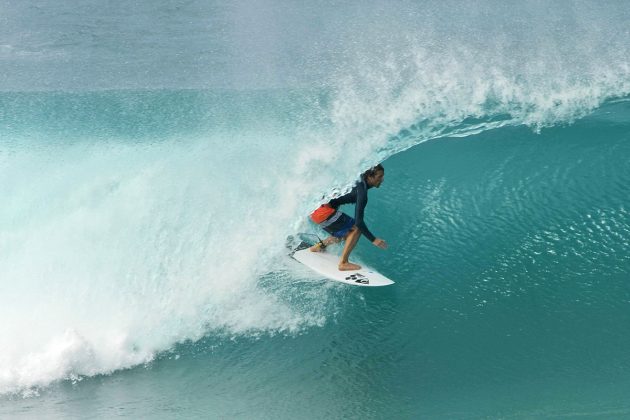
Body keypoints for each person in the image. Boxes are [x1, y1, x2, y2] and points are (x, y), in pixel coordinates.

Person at [308, 164, 388, 271]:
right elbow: (359, 222)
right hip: (322, 211)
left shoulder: (357, 179)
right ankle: (343, 263)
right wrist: (374, 240)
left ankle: (318, 247)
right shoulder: (362, 192)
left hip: (315, 210)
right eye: (379, 177)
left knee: (347, 232)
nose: (382, 179)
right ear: (369, 177)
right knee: (356, 228)